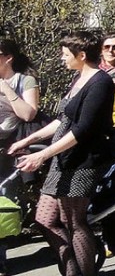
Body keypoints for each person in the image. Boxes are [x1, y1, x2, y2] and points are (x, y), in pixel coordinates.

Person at [10, 30, 115, 276]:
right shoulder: (78, 78)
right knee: (44, 219)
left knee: (74, 222)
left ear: (81, 55)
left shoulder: (100, 82)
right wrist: (30, 139)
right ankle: (71, 270)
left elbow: (82, 130)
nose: (62, 58)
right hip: (63, 159)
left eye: (66, 54)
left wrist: (41, 155)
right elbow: (64, 120)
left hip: (83, 162)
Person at [0, 39, 40, 276]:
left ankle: (0, 260)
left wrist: (5, 88)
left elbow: (28, 113)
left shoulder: (25, 81)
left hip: (6, 151)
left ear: (8, 57)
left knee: (1, 205)